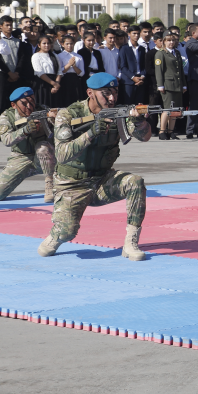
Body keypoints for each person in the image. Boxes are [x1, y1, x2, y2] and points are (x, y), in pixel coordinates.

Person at [38, 73, 151, 260]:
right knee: (66, 233)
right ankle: (57, 234)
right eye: (106, 93)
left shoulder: (119, 113)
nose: (112, 98)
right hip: (71, 184)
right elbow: (62, 154)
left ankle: (130, 243)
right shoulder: (69, 114)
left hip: (101, 181)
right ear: (90, 93)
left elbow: (144, 136)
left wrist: (139, 121)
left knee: (135, 183)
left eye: (115, 92)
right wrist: (91, 133)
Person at [0, 86, 55, 202]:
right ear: (14, 105)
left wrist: (55, 120)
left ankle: (51, 184)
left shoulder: (42, 109)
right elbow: (6, 140)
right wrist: (25, 130)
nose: (29, 106)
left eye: (32, 101)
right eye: (24, 103)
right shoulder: (6, 117)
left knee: (43, 147)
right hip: (20, 157)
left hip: (45, 158)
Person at [154, 32, 187, 140]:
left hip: (177, 84)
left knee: (175, 110)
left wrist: (184, 84)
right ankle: (162, 131)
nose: (171, 42)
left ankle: (171, 131)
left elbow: (180, 70)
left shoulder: (176, 52)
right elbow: (159, 71)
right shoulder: (161, 53)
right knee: (167, 109)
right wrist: (160, 85)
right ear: (164, 41)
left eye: (173, 40)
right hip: (167, 84)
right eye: (168, 40)